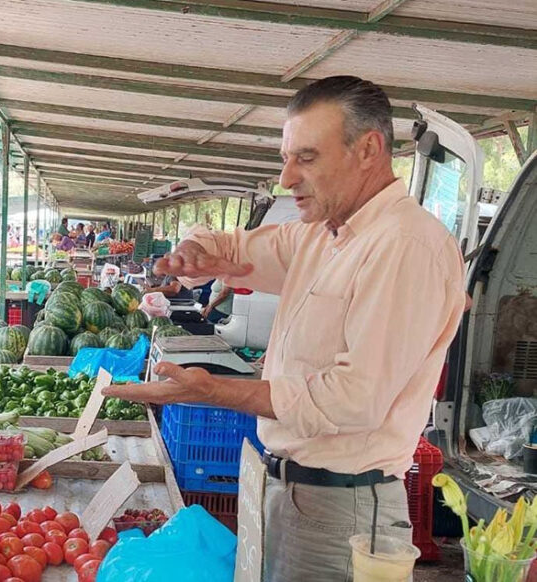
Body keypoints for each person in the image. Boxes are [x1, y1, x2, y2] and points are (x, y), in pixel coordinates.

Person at [103, 76, 466, 581]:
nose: (286, 177)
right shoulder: (321, 236)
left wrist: (215, 391)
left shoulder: (405, 246)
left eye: (307, 158)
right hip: (292, 491)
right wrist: (196, 249)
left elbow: (354, 399)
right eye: (286, 157)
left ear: (368, 149)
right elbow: (235, 248)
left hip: (344, 510)